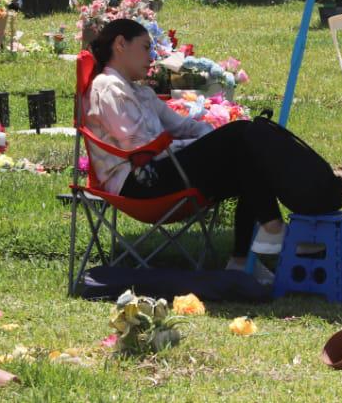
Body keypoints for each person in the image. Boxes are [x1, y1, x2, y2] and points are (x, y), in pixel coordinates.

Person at [84, 19, 319, 282]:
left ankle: (243, 260)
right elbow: (139, 149)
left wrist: (211, 137)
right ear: (120, 44)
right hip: (137, 183)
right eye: (145, 47)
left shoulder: (141, 93)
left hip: (160, 170)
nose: (151, 57)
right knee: (242, 134)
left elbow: (182, 126)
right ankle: (277, 227)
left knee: (247, 156)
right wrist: (211, 144)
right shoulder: (107, 87)